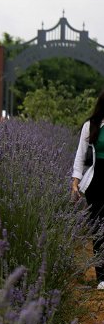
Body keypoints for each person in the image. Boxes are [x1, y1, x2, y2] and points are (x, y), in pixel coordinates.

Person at [72, 91, 104, 289]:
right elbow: (80, 155)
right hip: (97, 181)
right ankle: (101, 276)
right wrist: (75, 182)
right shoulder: (90, 125)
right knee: (99, 229)